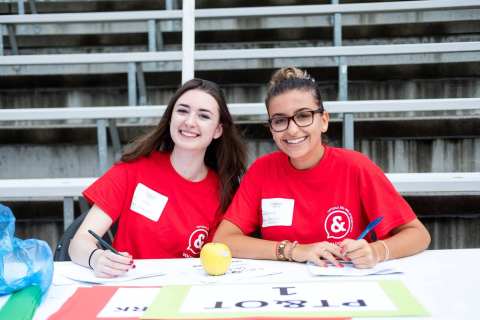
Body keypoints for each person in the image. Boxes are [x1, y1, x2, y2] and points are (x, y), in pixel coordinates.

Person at [213, 66, 430, 269]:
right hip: (284, 289)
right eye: (280, 121)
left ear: (324, 120)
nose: (293, 129)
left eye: (303, 116)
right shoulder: (262, 170)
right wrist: (293, 250)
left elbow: (419, 234)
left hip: (347, 285)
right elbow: (224, 240)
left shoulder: (356, 167)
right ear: (271, 128)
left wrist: (376, 251)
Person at [69, 79, 248, 278]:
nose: (189, 122)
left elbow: (215, 263)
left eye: (204, 115)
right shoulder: (133, 169)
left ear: (218, 130)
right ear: (170, 119)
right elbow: (79, 242)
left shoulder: (224, 190)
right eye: (182, 111)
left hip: (184, 293)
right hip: (127, 291)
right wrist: (96, 258)